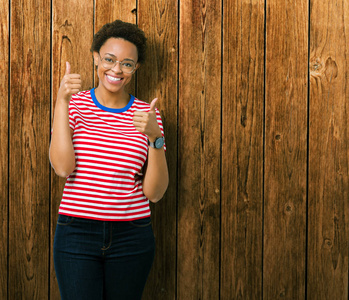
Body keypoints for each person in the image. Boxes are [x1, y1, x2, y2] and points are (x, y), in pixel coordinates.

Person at [49, 19, 169, 300]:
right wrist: (61, 100)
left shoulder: (148, 116)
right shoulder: (75, 104)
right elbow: (63, 167)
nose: (116, 69)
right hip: (76, 231)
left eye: (127, 63)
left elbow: (155, 193)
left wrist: (155, 137)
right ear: (96, 58)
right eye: (109, 59)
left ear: (135, 68)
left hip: (132, 234)